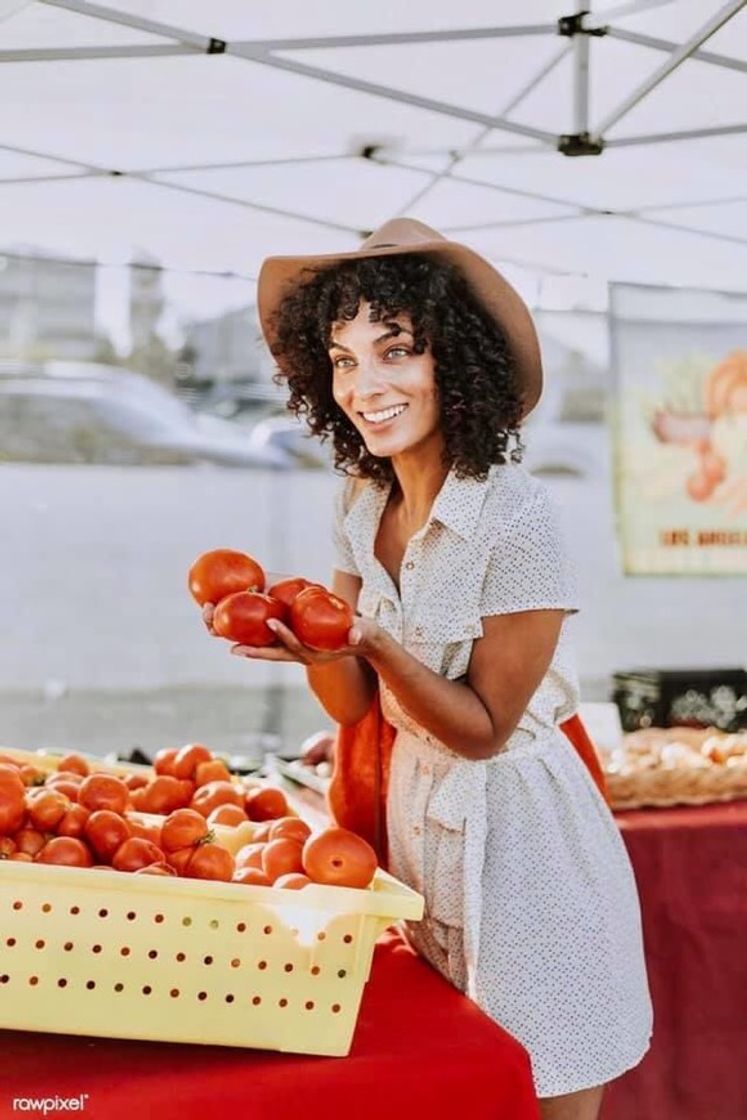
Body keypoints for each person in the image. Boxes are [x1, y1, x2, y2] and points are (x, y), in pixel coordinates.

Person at [220, 219, 653, 1119]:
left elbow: (485, 731)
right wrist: (311, 648)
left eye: (394, 351)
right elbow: (349, 706)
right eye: (341, 359)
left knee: (545, 1082)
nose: (363, 386)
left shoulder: (516, 518)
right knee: (451, 1088)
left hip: (526, 843)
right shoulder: (359, 499)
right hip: (418, 830)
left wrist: (372, 642)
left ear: (455, 360)